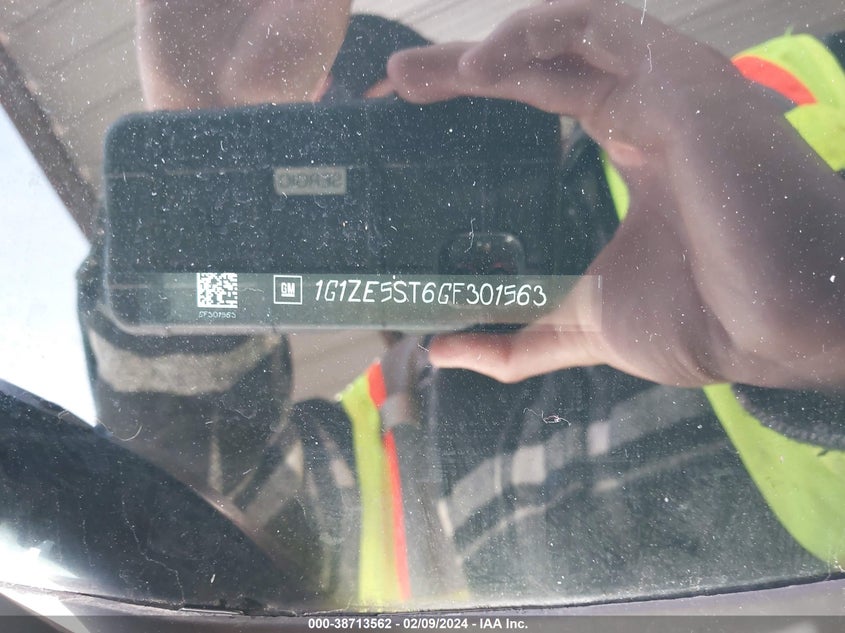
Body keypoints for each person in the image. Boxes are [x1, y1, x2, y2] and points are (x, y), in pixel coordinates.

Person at [79, 0, 845, 610]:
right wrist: (195, 150)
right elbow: (188, 520)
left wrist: (823, 317)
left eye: (401, 144)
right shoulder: (382, 431)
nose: (368, 214)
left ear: (469, 104)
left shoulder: (742, 117)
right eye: (321, 191)